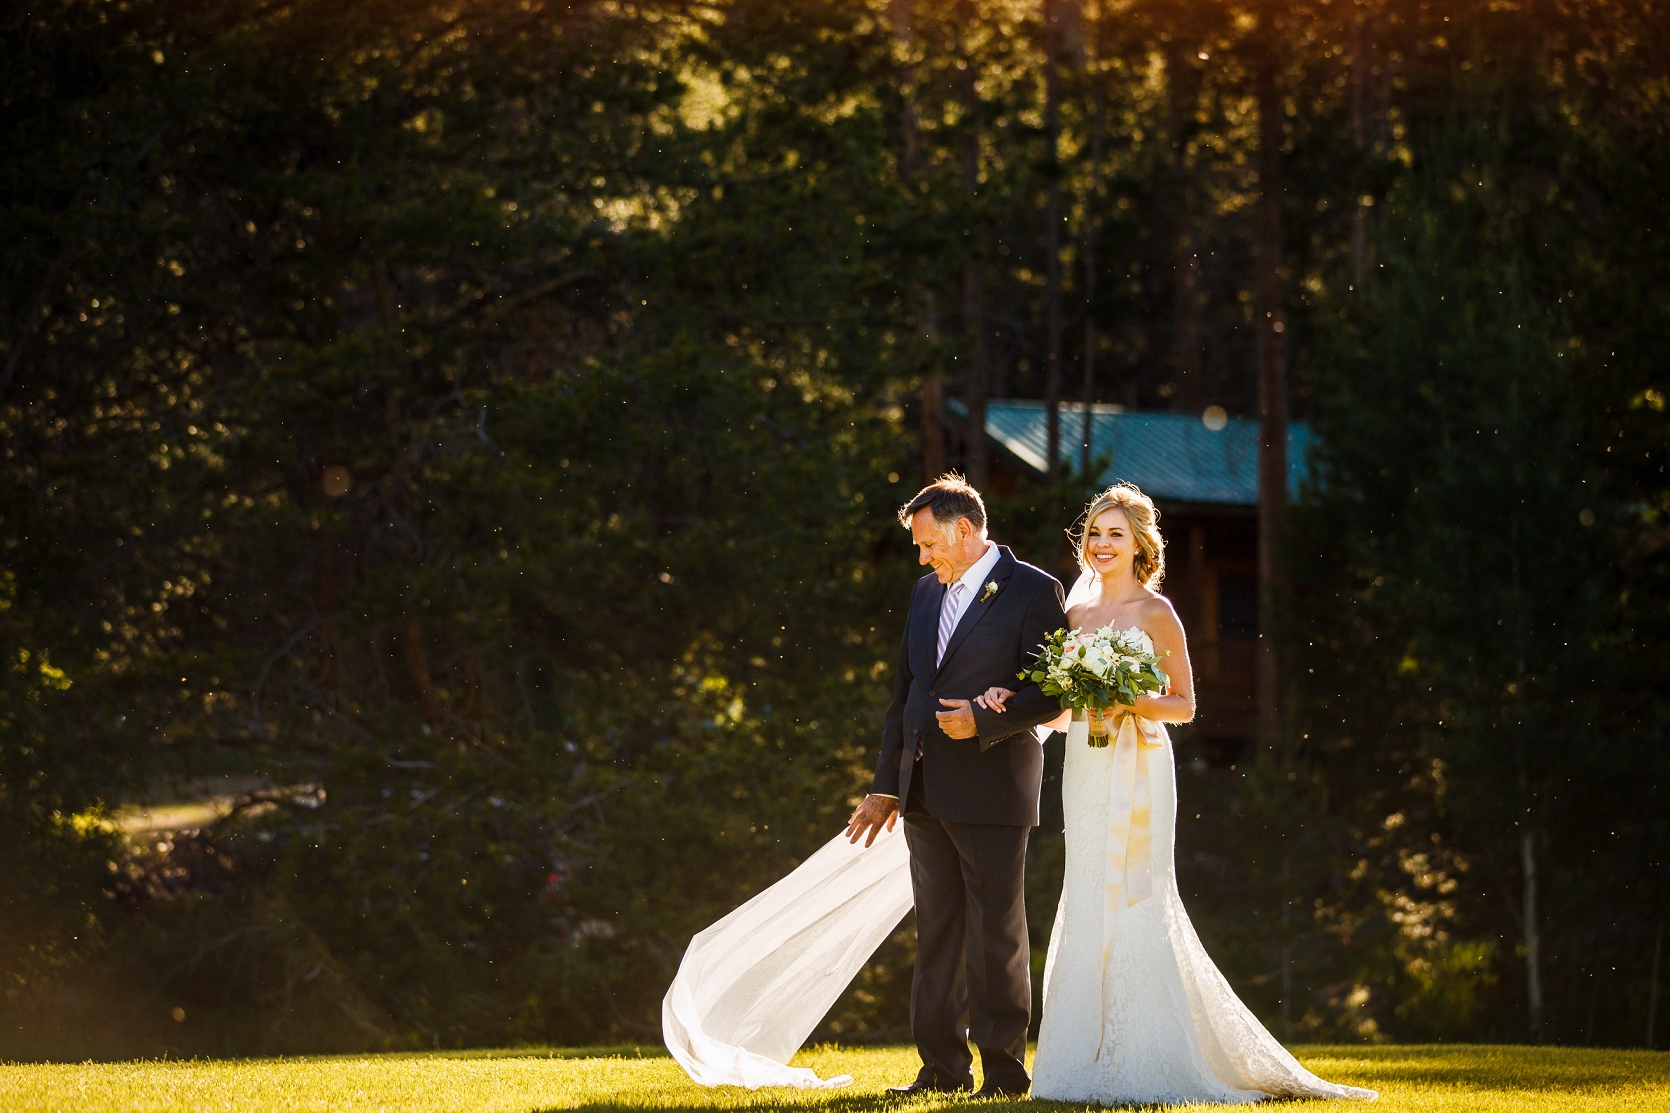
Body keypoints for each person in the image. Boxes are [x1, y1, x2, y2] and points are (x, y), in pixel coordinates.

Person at [976, 483, 1377, 1104]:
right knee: (1087, 890)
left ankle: (1151, 1048)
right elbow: (1060, 714)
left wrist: (1122, 697)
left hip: (1140, 767)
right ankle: (1080, 1054)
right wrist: (1015, 707)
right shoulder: (1074, 618)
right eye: (1093, 534)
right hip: (1085, 766)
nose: (1101, 545)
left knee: (1136, 890)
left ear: (1139, 545)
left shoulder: (1157, 612)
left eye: (1114, 534)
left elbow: (1185, 705)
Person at [844, 475, 1067, 1098]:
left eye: (926, 544)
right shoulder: (923, 593)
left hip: (994, 788)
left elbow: (1054, 691)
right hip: (922, 791)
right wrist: (886, 783)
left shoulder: (1032, 590)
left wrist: (987, 718)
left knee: (997, 933)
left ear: (964, 532)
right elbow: (904, 696)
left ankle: (1002, 1071)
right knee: (937, 931)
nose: (921, 557)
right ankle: (940, 1069)